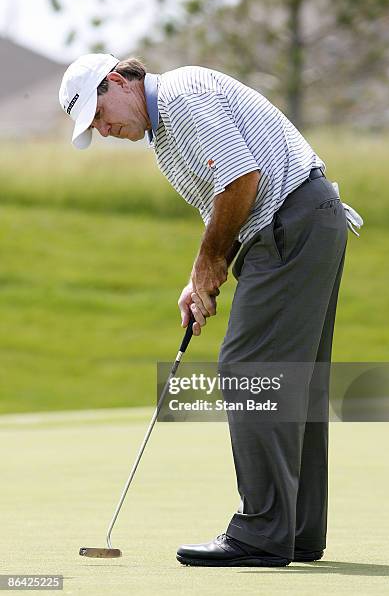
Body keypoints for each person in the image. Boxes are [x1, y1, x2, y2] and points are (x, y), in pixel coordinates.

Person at [59, 53, 360, 568]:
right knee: (294, 380)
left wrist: (209, 261)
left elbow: (243, 178)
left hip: (292, 221)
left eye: (100, 115)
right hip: (301, 224)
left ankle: (263, 532)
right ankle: (297, 531)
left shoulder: (181, 97)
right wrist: (197, 278)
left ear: (117, 82)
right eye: (93, 127)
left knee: (249, 370)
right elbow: (219, 206)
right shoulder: (166, 136)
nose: (104, 130)